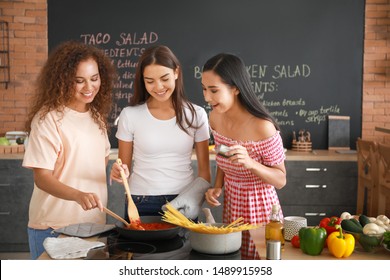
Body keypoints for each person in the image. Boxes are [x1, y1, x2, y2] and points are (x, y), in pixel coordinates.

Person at [22, 41, 117, 259]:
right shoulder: (48, 119)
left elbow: (94, 168)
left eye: (94, 79)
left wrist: (114, 173)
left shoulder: (97, 119)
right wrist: (77, 195)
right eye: (79, 81)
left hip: (93, 226)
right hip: (55, 227)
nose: (89, 87)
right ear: (63, 81)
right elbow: (42, 178)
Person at [110, 45, 211, 221]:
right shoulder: (130, 115)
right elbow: (123, 167)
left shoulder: (196, 114)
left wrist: (192, 200)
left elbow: (205, 174)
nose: (158, 87)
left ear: (176, 72)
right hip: (140, 201)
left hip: (183, 201)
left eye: (164, 78)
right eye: (149, 81)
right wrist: (119, 172)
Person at [202, 53, 287, 260]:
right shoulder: (215, 117)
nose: (207, 97)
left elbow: (281, 179)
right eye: (204, 89)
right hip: (232, 204)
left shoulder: (263, 127)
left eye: (214, 90)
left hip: (261, 210)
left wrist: (250, 163)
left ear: (236, 88)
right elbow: (223, 154)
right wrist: (217, 186)